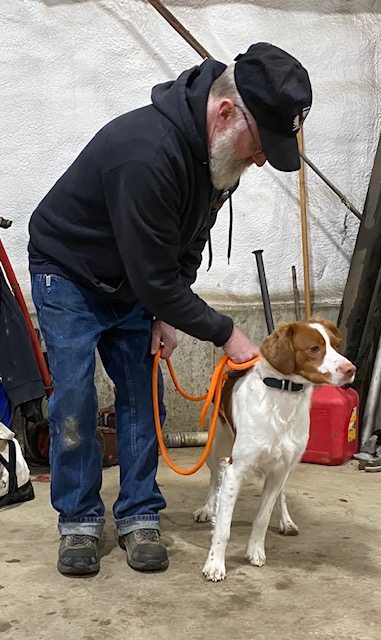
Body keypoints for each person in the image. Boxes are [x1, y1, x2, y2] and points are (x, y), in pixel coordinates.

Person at [28, 42, 312, 576]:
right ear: (225, 112)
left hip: (132, 278)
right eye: (260, 143)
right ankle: (79, 520)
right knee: (74, 399)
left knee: (144, 396)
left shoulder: (218, 158)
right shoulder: (147, 154)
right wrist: (225, 332)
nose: (259, 159)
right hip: (67, 272)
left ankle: (139, 513)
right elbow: (154, 278)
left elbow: (188, 241)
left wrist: (165, 310)